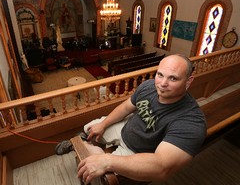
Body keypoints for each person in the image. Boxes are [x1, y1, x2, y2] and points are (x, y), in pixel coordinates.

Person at [56, 54, 207, 184]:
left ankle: (83, 146)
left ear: (188, 81)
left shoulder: (191, 121)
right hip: (125, 128)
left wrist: (107, 161)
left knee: (101, 174)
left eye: (173, 78)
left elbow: (162, 167)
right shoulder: (149, 86)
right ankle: (86, 144)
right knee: (90, 128)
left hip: (137, 152)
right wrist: (103, 124)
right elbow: (126, 107)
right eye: (160, 74)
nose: (162, 84)